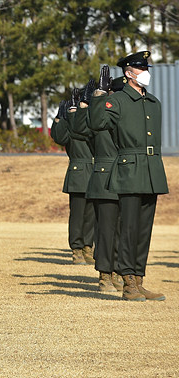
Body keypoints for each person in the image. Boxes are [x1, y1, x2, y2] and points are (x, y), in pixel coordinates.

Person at [89, 52, 169, 302]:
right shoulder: (120, 101)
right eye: (139, 67)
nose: (145, 71)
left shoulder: (153, 102)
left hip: (151, 170)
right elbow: (96, 122)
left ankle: (139, 278)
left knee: (144, 230)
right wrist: (99, 95)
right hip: (130, 169)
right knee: (129, 228)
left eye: (146, 67)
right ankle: (127, 282)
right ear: (128, 73)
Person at [74, 73, 125, 292]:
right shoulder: (99, 115)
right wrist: (87, 104)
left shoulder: (128, 114)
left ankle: (121, 272)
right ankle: (105, 274)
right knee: (106, 230)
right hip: (104, 177)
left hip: (128, 176)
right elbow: (79, 130)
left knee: (125, 230)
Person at [51, 88, 95, 265]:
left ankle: (87, 247)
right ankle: (76, 248)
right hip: (78, 171)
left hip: (94, 170)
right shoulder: (70, 123)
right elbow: (59, 137)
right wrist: (59, 118)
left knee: (92, 214)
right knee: (78, 214)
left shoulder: (91, 121)